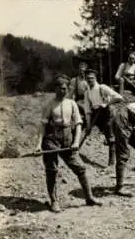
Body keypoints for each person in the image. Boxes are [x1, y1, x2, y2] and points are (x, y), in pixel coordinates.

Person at [34, 75, 102, 212]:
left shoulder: (71, 103)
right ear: (56, 89)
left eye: (65, 88)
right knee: (52, 170)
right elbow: (42, 126)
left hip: (67, 139)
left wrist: (76, 141)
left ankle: (89, 197)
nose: (63, 91)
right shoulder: (49, 105)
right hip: (51, 139)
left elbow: (78, 124)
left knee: (80, 168)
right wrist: (38, 145)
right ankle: (54, 201)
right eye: (61, 88)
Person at [83, 69, 124, 167]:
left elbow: (119, 98)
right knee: (83, 127)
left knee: (110, 137)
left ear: (95, 78)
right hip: (96, 113)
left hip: (107, 113)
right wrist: (88, 126)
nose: (90, 80)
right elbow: (87, 111)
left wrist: (106, 103)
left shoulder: (102, 87)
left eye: (92, 78)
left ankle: (112, 163)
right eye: (88, 78)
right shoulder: (87, 93)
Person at [68, 59, 90, 128]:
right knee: (84, 108)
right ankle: (87, 125)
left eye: (84, 70)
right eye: (81, 70)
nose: (82, 72)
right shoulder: (74, 80)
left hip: (89, 100)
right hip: (79, 100)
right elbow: (70, 94)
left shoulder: (89, 80)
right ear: (78, 70)